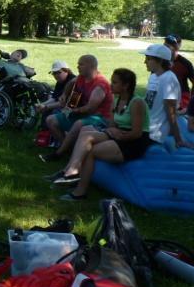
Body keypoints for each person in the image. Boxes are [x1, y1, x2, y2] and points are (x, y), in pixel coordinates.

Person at [51, 69, 151, 200]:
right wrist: (111, 130)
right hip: (120, 133)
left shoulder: (137, 102)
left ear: (126, 86)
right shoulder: (117, 98)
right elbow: (113, 123)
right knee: (86, 132)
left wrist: (117, 135)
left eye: (115, 82)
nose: (111, 85)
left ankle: (79, 189)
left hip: (134, 142)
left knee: (91, 151)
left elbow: (137, 133)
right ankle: (71, 170)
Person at [44, 55, 113, 151]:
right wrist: (64, 95)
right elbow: (70, 83)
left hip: (99, 117)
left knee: (78, 124)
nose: (77, 67)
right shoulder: (81, 77)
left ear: (91, 66)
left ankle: (62, 152)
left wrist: (73, 111)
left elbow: (90, 108)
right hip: (82, 113)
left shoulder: (100, 84)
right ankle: (69, 149)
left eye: (81, 64)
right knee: (51, 120)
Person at [142, 44, 192, 149]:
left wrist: (179, 140)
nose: (144, 62)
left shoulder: (169, 79)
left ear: (160, 61)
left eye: (148, 59)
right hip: (142, 127)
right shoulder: (153, 76)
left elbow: (171, 113)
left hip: (152, 134)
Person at [163, 34, 194, 111]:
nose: (165, 48)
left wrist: (192, 101)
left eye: (169, 46)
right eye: (164, 45)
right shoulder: (159, 61)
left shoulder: (185, 63)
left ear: (178, 47)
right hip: (163, 94)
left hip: (181, 97)